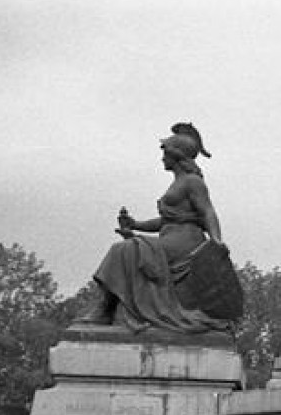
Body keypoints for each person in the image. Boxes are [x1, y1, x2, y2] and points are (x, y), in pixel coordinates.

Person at [77, 123, 242, 333]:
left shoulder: (193, 182)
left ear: (176, 155)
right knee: (127, 248)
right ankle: (108, 310)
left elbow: (207, 211)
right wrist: (135, 225)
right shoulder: (177, 183)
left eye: (165, 153)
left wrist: (216, 242)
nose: (162, 158)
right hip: (169, 239)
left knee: (123, 251)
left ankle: (104, 309)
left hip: (185, 244)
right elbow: (166, 221)